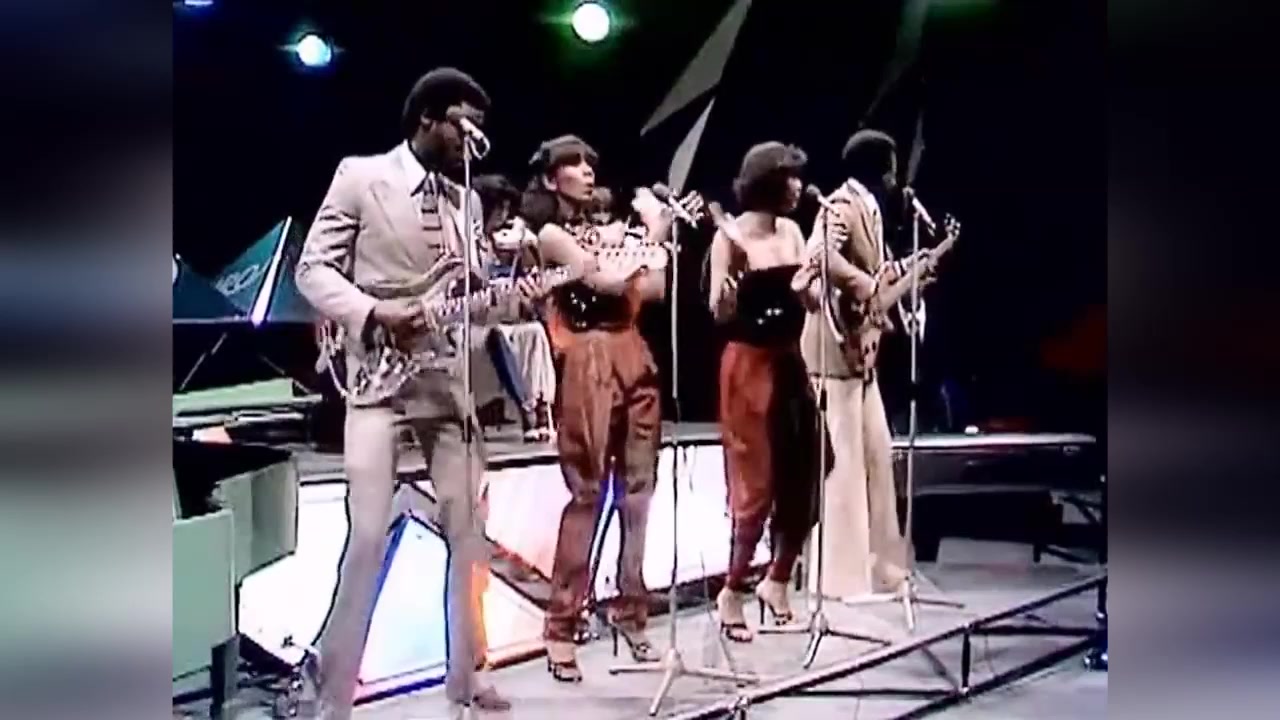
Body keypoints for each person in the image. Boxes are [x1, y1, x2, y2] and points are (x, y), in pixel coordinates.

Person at [295, 67, 535, 717]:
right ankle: (334, 695)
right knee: (368, 534)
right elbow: (312, 270)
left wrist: (507, 294)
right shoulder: (362, 176)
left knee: (469, 529)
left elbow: (470, 299)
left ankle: (466, 673)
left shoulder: (466, 201)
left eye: (479, 131)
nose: (472, 141)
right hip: (378, 384)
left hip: (445, 384)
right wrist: (373, 313)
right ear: (427, 118)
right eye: (463, 127)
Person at [523, 135, 671, 682]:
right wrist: (651, 235)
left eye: (590, 163)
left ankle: (632, 610)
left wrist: (639, 250)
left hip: (633, 350)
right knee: (587, 491)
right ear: (551, 178)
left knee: (638, 491)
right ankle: (562, 624)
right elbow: (606, 279)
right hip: (588, 358)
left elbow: (653, 288)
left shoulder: (608, 231)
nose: (587, 172)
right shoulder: (551, 235)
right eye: (574, 164)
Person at [796, 128, 938, 600]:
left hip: (862, 358)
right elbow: (819, 255)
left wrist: (906, 275)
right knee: (844, 469)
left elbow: (878, 274)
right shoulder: (840, 205)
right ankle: (841, 578)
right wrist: (863, 284)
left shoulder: (870, 208)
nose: (897, 181)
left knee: (878, 456)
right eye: (893, 170)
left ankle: (885, 568)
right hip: (833, 357)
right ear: (881, 170)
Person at [706, 142, 827, 641]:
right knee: (755, 488)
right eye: (790, 177)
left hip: (790, 361)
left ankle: (777, 581)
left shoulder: (793, 232)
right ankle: (732, 591)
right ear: (767, 181)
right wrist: (735, 281)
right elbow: (719, 312)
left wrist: (813, 283)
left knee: (809, 472)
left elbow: (811, 302)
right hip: (748, 367)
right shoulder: (729, 236)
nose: (798, 186)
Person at [474, 174, 557, 441]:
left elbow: (530, 292)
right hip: (470, 328)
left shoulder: (511, 243)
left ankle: (541, 407)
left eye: (507, 210)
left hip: (505, 322)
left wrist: (530, 255)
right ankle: (524, 408)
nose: (503, 217)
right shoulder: (466, 241)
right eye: (499, 209)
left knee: (534, 332)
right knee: (494, 335)